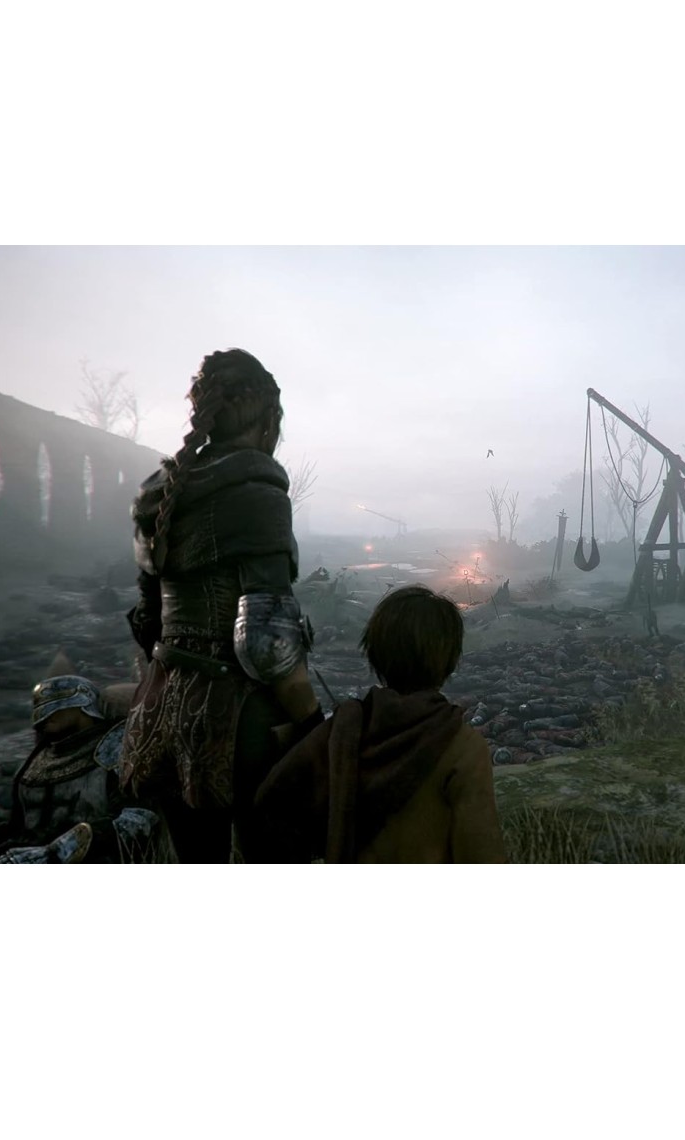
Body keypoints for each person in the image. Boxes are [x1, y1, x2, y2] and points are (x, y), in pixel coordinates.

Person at [119, 348, 322, 862]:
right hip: (238, 722)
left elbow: (148, 622)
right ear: (269, 418)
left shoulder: (161, 495)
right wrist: (312, 723)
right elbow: (265, 641)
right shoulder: (258, 494)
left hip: (160, 709)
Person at [255, 584, 508, 863]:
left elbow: (273, 803)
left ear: (375, 652)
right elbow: (482, 856)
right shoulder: (463, 747)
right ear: (449, 659)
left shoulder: (341, 730)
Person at [0, 652, 136, 863]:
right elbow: (16, 827)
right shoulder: (35, 761)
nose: (47, 715)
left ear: (83, 703)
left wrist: (55, 853)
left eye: (57, 704)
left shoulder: (113, 749)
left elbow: (136, 818)